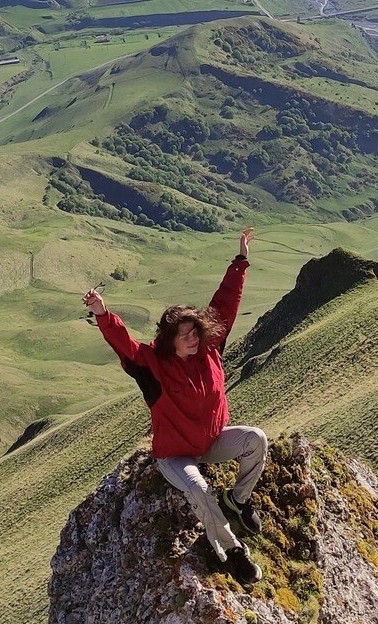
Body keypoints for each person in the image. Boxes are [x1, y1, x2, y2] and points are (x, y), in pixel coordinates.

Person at [83, 227, 268, 583]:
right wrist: (102, 313)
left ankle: (238, 501)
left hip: (211, 442)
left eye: (195, 331)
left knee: (256, 439)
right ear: (170, 340)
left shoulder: (210, 349)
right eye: (184, 335)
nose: (193, 338)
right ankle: (232, 552)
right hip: (175, 455)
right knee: (199, 490)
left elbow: (225, 304)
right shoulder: (153, 364)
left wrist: (241, 260)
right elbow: (124, 344)